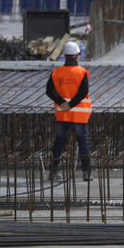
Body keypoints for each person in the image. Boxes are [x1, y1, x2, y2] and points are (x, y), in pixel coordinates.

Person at [46, 41, 93, 181]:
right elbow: (84, 91)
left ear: (65, 56)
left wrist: (63, 104)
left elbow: (49, 91)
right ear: (77, 56)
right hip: (80, 114)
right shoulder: (82, 72)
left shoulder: (56, 73)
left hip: (63, 113)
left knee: (60, 141)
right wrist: (72, 104)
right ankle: (86, 172)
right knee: (83, 141)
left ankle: (53, 172)